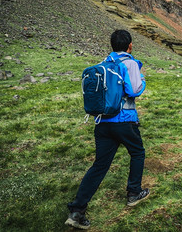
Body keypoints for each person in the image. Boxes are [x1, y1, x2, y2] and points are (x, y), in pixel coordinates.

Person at [65, 30, 149, 230]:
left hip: (102, 122)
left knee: (100, 165)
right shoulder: (129, 63)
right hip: (124, 121)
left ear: (112, 45)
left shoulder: (105, 62)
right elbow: (134, 90)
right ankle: (133, 193)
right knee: (138, 152)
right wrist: (143, 79)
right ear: (130, 45)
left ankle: (77, 211)